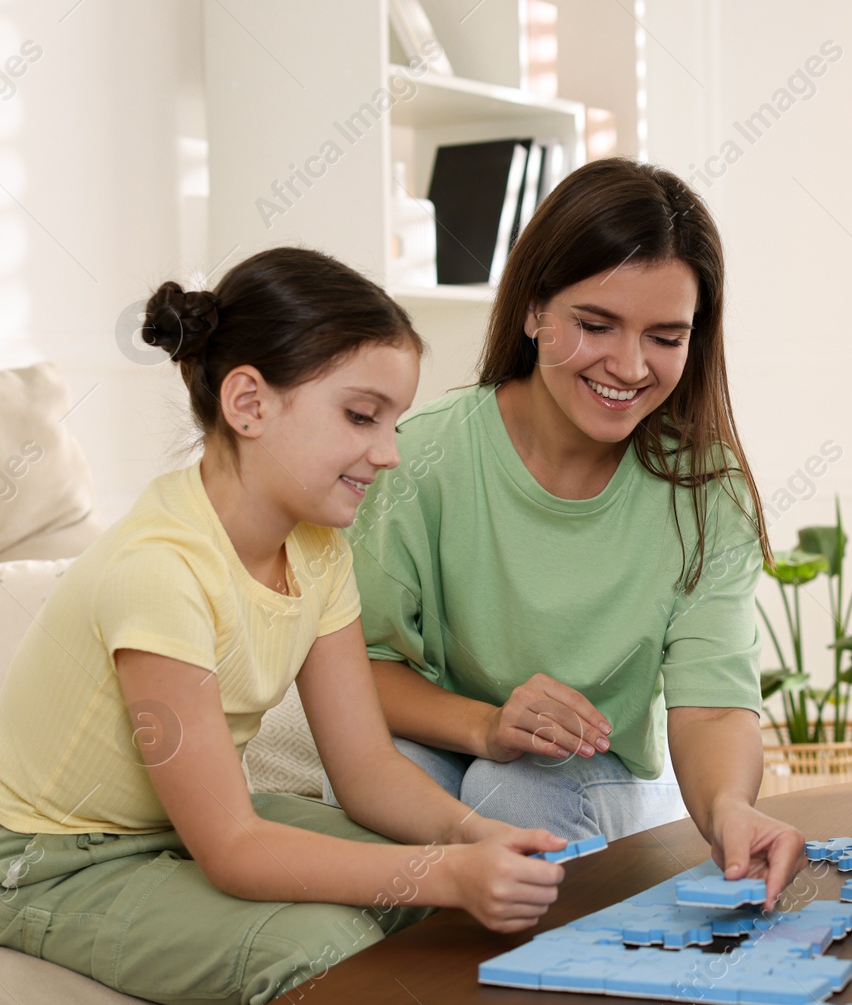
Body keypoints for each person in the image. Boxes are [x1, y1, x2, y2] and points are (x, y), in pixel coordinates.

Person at [0, 248, 570, 1005]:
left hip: (175, 826)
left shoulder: (320, 552)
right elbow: (233, 848)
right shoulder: (160, 571)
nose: (389, 453)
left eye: (395, 422)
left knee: (434, 899)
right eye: (360, 415)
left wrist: (475, 838)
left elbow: (367, 764)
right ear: (248, 403)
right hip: (53, 867)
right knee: (325, 951)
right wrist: (442, 872)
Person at [341, 158, 805, 903]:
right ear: (532, 311)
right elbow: (358, 668)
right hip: (456, 739)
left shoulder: (704, 492)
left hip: (599, 775)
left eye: (665, 336)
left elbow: (713, 702)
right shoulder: (420, 455)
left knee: (514, 792)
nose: (629, 365)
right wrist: (490, 724)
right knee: (383, 776)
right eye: (595, 325)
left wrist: (727, 811)